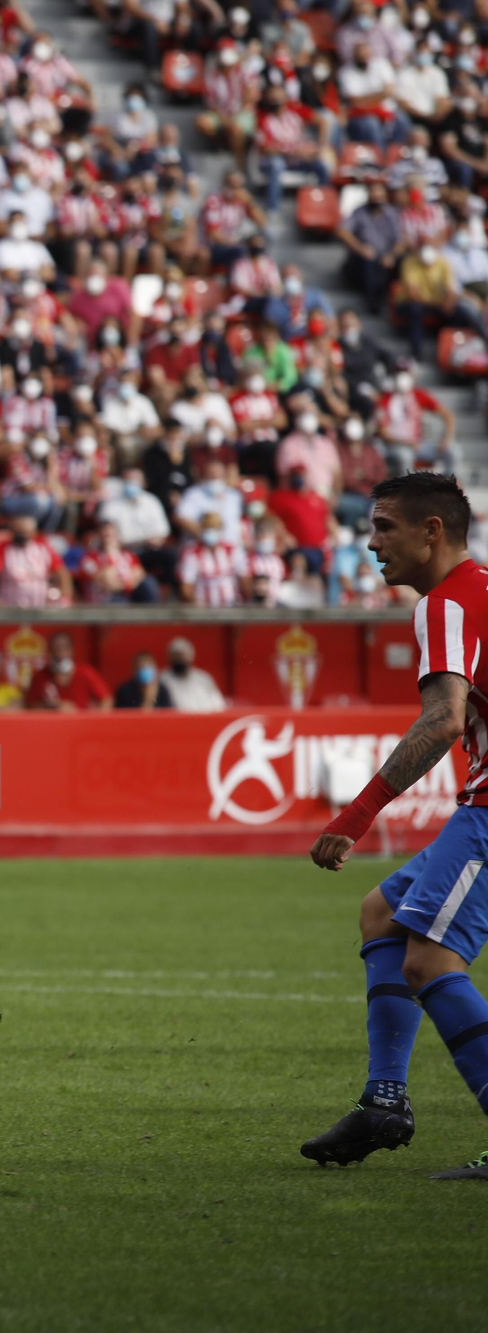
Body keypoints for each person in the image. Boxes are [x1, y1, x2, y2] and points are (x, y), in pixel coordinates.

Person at [301, 472, 488, 1180]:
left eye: (383, 526)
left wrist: (354, 816)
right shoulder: (485, 590)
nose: (370, 541)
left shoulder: (444, 603)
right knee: (383, 915)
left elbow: (442, 719)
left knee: (430, 959)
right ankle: (385, 1100)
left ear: (430, 531)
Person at [25, 633, 113, 711]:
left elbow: (107, 699)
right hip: (51, 726)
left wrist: (95, 722)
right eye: (55, 649)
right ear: (49, 651)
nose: (59, 654)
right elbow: (30, 706)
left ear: (71, 650)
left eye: (64, 648)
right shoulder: (40, 677)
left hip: (81, 724)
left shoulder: (85, 672)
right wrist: (54, 706)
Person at [159, 637, 226, 712]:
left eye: (182, 655)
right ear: (170, 657)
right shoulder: (162, 679)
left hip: (204, 718)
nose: (179, 659)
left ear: (191, 656)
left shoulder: (203, 678)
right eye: (176, 655)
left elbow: (219, 704)